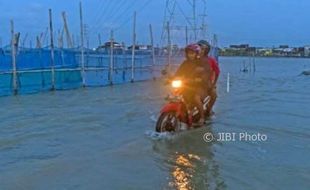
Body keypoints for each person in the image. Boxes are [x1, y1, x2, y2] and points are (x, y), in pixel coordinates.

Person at [174, 44, 212, 125]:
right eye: (189, 53)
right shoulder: (185, 63)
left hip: (200, 86)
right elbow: (178, 73)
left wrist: (201, 79)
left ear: (196, 53)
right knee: (176, 96)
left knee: (196, 98)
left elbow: (207, 72)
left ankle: (202, 118)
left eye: (192, 53)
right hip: (187, 84)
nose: (190, 55)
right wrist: (170, 79)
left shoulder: (202, 62)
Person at [197, 40, 220, 115]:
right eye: (199, 48)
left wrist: (214, 84)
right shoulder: (192, 59)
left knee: (214, 94)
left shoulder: (211, 60)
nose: (200, 50)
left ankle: (209, 109)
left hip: (206, 83)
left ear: (206, 51)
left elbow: (217, 72)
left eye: (202, 49)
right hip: (192, 82)